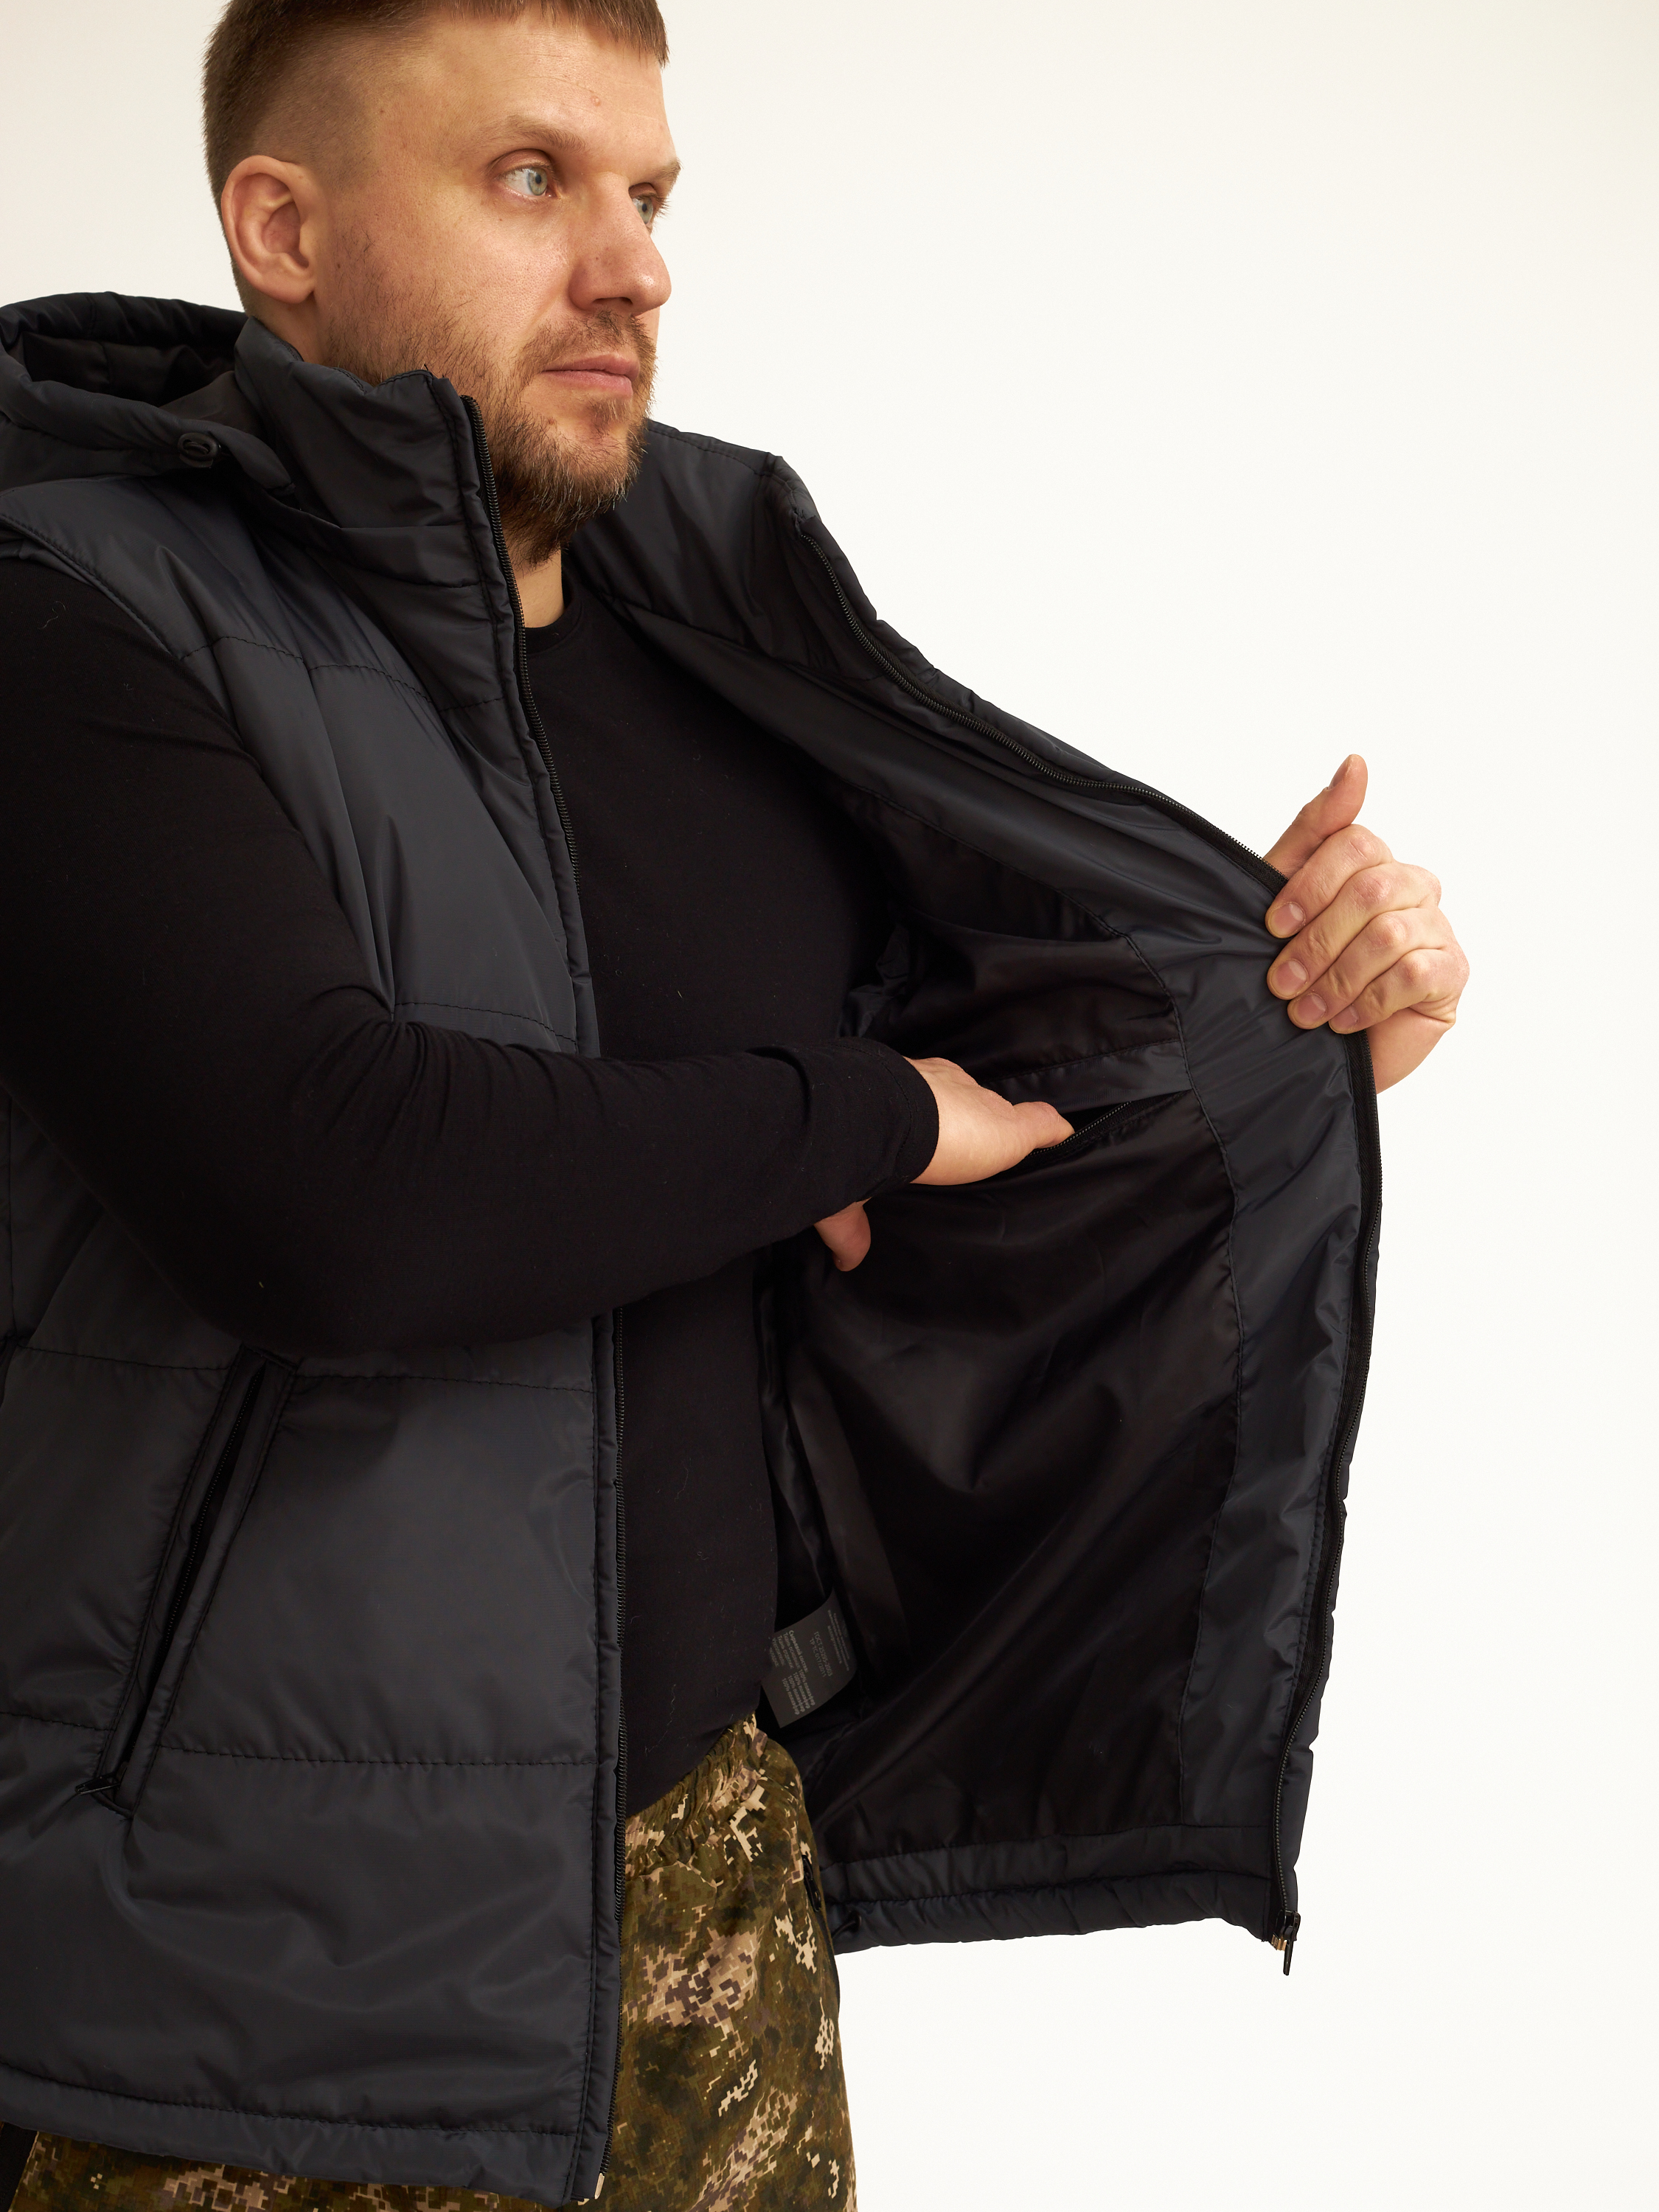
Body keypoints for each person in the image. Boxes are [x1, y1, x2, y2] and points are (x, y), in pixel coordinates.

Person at [0, 3, 1469, 2208]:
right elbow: (334, 1192)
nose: (635, 267)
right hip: (233, 1987)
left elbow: (928, 1122)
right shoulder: (76, 610)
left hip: (699, 1894)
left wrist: (1294, 1027)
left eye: (649, 191)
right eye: (530, 180)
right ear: (281, 229)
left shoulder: (711, 610)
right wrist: (853, 1121)